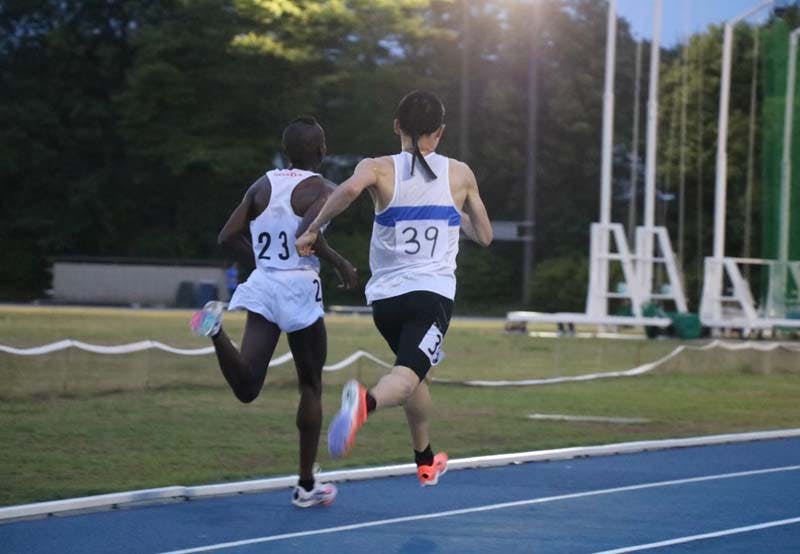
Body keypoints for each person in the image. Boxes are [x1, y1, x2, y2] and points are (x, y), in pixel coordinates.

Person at [296, 91, 492, 486]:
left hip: (386, 300)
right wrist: (458, 219)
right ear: (439, 133)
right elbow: (485, 235)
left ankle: (424, 458)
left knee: (415, 375)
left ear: (397, 126)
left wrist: (314, 228)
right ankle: (364, 404)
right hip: (432, 299)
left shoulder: (378, 168)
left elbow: (349, 191)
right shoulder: (460, 174)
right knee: (404, 379)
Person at [190, 116, 357, 507]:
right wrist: (340, 263)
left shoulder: (261, 184)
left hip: (264, 284)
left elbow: (227, 235)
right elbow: (305, 233)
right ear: (322, 151)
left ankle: (215, 330)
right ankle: (305, 485)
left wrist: (262, 264)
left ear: (286, 152)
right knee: (311, 384)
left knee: (248, 387)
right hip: (299, 287)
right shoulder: (325, 188)